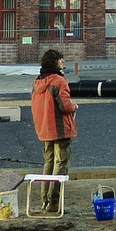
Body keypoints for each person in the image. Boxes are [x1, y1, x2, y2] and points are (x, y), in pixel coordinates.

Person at [29, 48, 76, 212]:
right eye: (60, 59)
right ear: (54, 62)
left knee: (48, 163)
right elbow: (65, 105)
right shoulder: (59, 81)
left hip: (44, 129)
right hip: (60, 128)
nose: (63, 61)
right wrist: (74, 106)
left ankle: (44, 201)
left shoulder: (37, 82)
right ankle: (54, 202)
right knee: (61, 163)